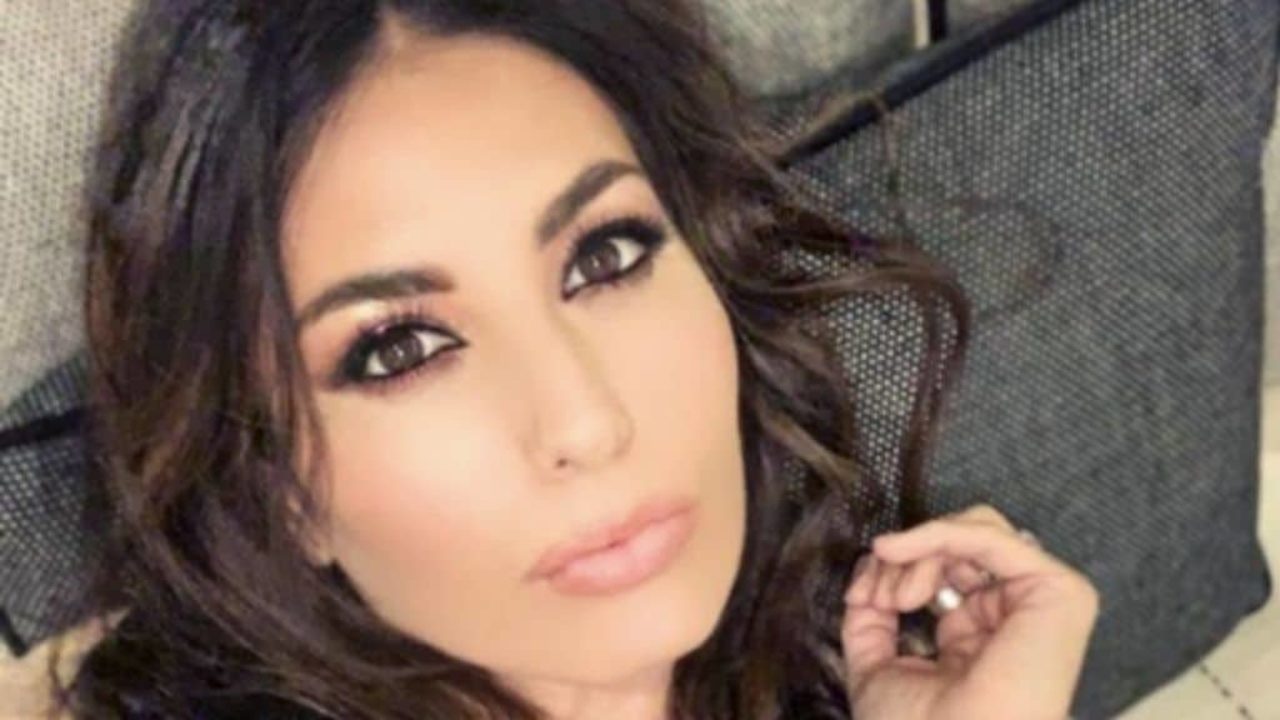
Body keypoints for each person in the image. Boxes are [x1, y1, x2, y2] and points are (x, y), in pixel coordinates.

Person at [56, 1, 1099, 718]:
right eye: (401, 348)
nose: (588, 422)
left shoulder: (832, 647)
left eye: (606, 257)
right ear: (278, 488)